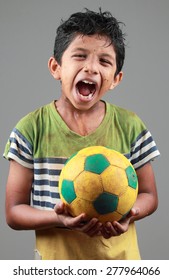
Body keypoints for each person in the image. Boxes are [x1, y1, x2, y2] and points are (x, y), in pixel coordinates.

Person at [3, 8, 160, 260]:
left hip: (121, 264)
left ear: (116, 78)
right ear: (56, 67)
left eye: (104, 61)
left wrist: (130, 213)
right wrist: (60, 219)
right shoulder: (30, 129)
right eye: (80, 56)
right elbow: (14, 212)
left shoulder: (130, 126)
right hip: (56, 265)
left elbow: (149, 195)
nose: (91, 68)